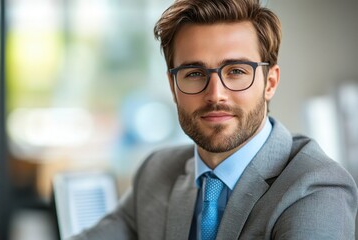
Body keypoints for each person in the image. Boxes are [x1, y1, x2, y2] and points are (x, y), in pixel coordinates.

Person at [68, 0, 358, 239]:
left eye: (236, 71)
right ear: (173, 87)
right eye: (194, 74)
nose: (215, 94)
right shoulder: (156, 172)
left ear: (270, 82)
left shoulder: (316, 188)